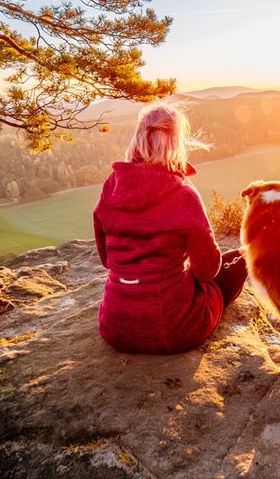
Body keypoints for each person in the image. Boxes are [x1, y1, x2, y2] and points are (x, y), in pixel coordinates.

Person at [93, 103, 247, 354]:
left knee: (228, 262)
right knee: (240, 260)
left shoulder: (112, 184)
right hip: (174, 330)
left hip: (114, 327)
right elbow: (207, 271)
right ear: (177, 142)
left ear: (138, 137)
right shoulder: (183, 193)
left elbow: (106, 259)